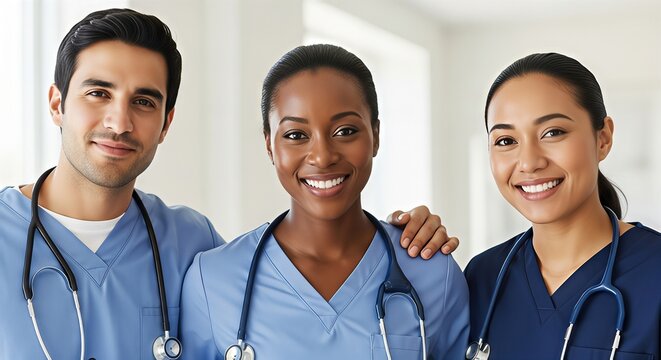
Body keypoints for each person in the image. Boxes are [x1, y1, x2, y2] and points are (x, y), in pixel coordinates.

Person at [0, 9, 460, 359]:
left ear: (165, 122)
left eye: (143, 101)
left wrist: (413, 233)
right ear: (57, 104)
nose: (120, 121)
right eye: (98, 93)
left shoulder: (189, 243)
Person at [180, 44, 470, 360]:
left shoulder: (432, 272)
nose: (322, 156)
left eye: (345, 131)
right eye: (295, 135)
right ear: (269, 145)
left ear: (375, 134)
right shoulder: (212, 279)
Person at [464, 53, 661, 360]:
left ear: (603, 138)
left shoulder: (654, 271)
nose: (529, 162)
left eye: (553, 133)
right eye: (505, 140)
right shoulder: (482, 277)